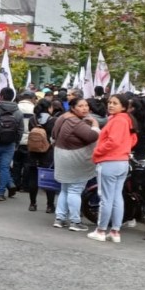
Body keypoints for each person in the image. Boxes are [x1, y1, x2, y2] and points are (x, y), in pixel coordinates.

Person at [88, 94, 137, 243]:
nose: (110, 105)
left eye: (115, 103)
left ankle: (101, 230)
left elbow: (113, 142)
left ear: (123, 106)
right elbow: (133, 140)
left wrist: (97, 152)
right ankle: (115, 231)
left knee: (106, 199)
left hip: (110, 162)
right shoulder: (126, 120)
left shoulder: (118, 120)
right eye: (109, 102)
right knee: (116, 198)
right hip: (122, 161)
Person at [52, 97, 99, 230]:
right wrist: (95, 125)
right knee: (75, 190)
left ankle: (59, 218)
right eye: (81, 106)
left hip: (62, 156)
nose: (85, 108)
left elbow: (54, 134)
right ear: (73, 108)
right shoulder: (76, 122)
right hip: (75, 159)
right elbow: (92, 136)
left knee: (65, 189)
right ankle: (75, 221)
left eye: (86, 105)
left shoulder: (63, 117)